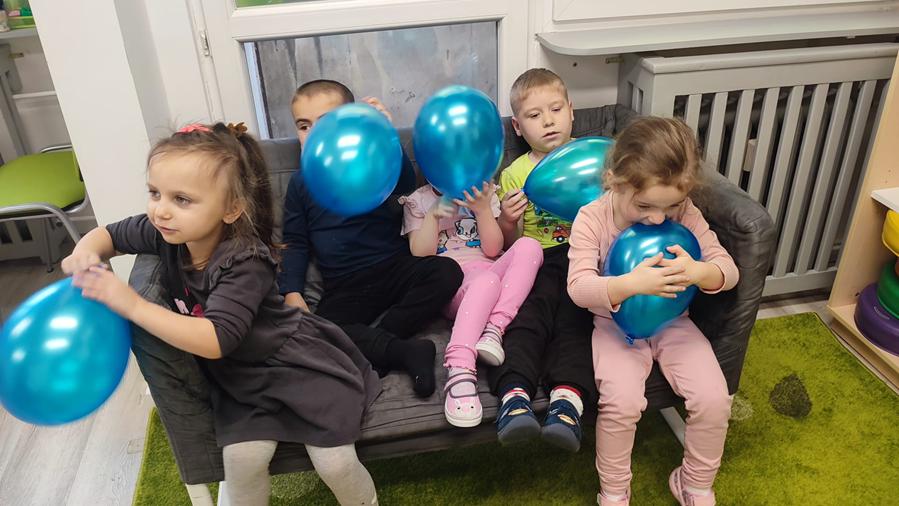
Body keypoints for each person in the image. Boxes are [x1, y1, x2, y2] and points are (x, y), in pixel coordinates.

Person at [63, 123, 381, 505]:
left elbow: (216, 340)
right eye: (155, 193)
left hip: (296, 367)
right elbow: (110, 235)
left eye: (182, 199)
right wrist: (85, 252)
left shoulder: (245, 261)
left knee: (334, 462)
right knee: (241, 461)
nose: (161, 210)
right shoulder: (165, 232)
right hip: (242, 380)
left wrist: (132, 305)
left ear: (231, 209)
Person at [567, 116, 739, 506]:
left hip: (674, 323)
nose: (659, 219)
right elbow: (578, 288)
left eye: (671, 205)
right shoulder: (592, 218)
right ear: (614, 181)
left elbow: (729, 271)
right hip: (614, 327)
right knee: (621, 403)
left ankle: (694, 482)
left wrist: (700, 272)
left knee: (714, 397)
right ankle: (614, 491)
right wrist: (631, 284)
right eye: (644, 205)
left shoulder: (686, 213)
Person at [280, 79, 463, 397]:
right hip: (346, 285)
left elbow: (406, 188)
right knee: (315, 333)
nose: (314, 134)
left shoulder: (372, 160)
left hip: (394, 267)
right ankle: (404, 351)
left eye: (325, 123)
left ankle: (380, 341)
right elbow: (295, 241)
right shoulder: (301, 183)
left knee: (447, 272)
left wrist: (387, 136)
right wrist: (291, 291)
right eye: (304, 126)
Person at [489, 68, 597, 452]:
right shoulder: (515, 173)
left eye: (555, 109)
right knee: (525, 322)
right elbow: (509, 245)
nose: (548, 121)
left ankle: (567, 403)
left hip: (585, 258)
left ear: (572, 110)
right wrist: (507, 220)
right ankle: (513, 398)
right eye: (535, 115)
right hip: (535, 260)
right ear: (518, 127)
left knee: (577, 323)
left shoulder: (594, 156)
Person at [401, 180, 542, 427]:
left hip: (492, 274)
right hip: (456, 285)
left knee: (530, 246)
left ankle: (493, 329)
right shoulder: (417, 201)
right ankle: (459, 368)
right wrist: (433, 217)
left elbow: (493, 249)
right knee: (486, 281)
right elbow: (420, 255)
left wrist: (483, 210)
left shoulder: (485, 192)